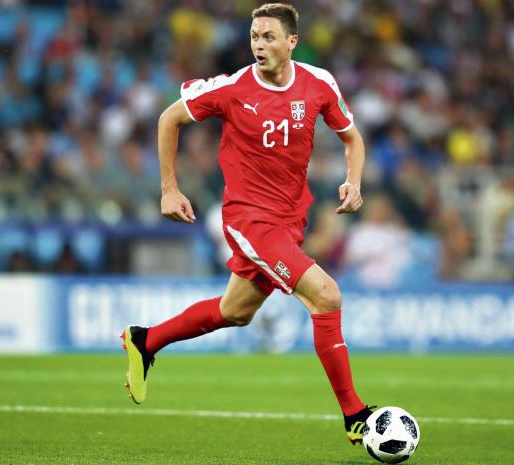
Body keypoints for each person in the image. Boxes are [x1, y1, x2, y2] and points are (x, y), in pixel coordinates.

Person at [121, 3, 373, 445]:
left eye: (269, 37)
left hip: (291, 218)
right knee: (327, 296)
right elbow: (168, 118)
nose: (259, 44)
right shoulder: (233, 87)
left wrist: (354, 181)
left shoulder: (319, 83)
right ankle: (355, 415)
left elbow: (352, 137)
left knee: (235, 312)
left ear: (292, 42)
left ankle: (145, 340)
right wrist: (169, 189)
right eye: (255, 36)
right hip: (250, 220)